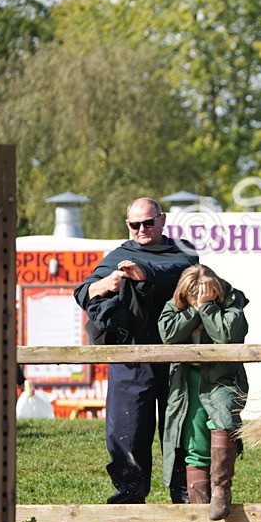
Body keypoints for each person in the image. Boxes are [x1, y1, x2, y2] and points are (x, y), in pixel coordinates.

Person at [74, 198, 198, 504]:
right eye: (135, 224)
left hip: (175, 353)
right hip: (131, 355)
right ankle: (129, 494)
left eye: (148, 222)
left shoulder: (183, 250)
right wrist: (106, 283)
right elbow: (82, 292)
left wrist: (144, 274)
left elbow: (184, 271)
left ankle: (185, 494)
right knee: (127, 426)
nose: (142, 229)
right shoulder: (118, 255)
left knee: (180, 425)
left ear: (162, 220)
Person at [159, 265, 249, 521]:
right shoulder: (175, 304)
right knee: (194, 442)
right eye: (192, 295)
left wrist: (208, 308)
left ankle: (221, 492)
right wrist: (195, 311)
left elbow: (227, 335)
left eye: (203, 294)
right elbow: (167, 335)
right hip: (187, 382)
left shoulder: (232, 300)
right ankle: (200, 506)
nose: (197, 298)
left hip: (222, 377)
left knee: (223, 421)